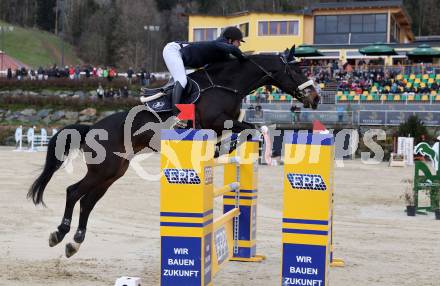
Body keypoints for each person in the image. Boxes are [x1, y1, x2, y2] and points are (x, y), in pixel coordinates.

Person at [162, 26, 247, 118]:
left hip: (179, 55)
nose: (240, 45)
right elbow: (233, 50)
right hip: (173, 50)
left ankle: (183, 113)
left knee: (188, 83)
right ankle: (176, 115)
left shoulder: (221, 53)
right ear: (230, 41)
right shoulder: (217, 45)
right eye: (238, 41)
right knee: (182, 80)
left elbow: (230, 62)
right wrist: (243, 57)